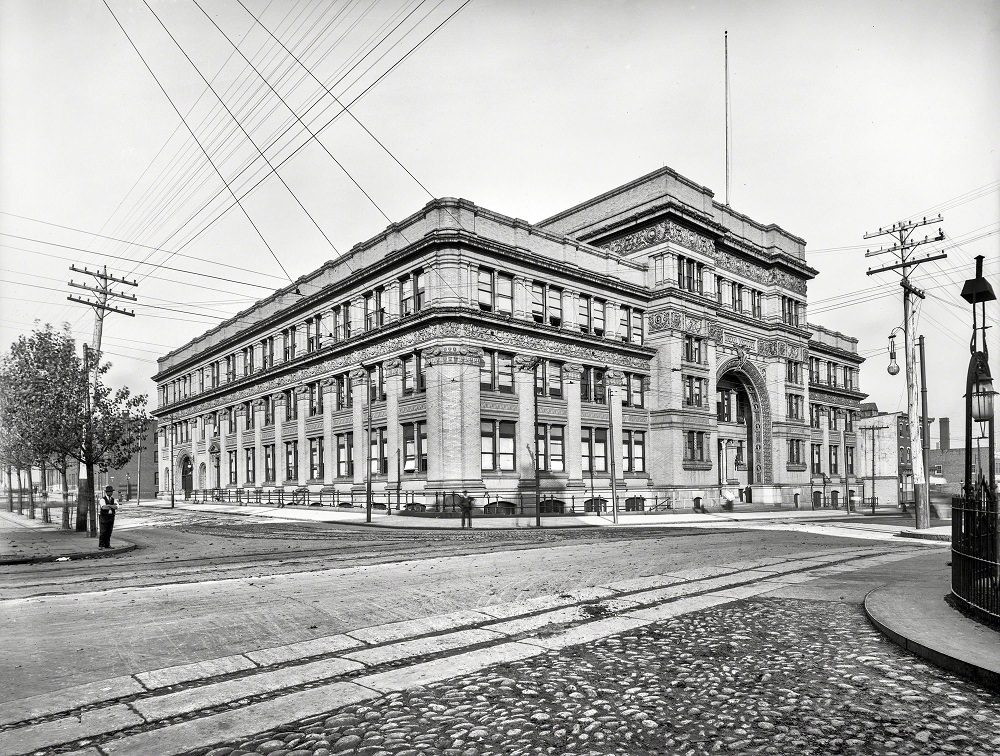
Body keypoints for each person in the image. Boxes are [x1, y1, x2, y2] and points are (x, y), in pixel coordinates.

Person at [98, 485, 119, 549]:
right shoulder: (102, 499)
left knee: (109, 531)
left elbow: (117, 507)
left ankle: (107, 544)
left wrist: (109, 505)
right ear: (106, 492)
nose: (111, 493)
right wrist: (112, 506)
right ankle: (101, 545)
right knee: (103, 531)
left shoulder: (113, 499)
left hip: (111, 517)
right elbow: (104, 507)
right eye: (109, 492)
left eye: (111, 491)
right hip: (104, 517)